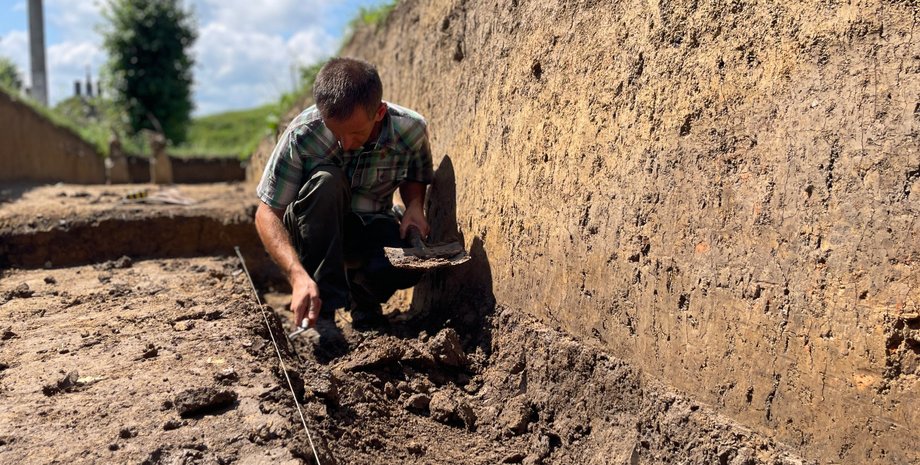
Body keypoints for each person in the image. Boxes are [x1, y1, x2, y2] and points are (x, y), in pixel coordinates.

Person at [254, 57, 434, 334]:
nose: (345, 144)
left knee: (409, 263)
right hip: (311, 231)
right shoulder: (303, 134)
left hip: (369, 224)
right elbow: (266, 213)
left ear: (380, 112)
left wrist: (414, 205)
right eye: (336, 133)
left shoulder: (410, 130)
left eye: (355, 133)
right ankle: (322, 312)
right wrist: (296, 274)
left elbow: (416, 175)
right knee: (327, 181)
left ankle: (364, 299)